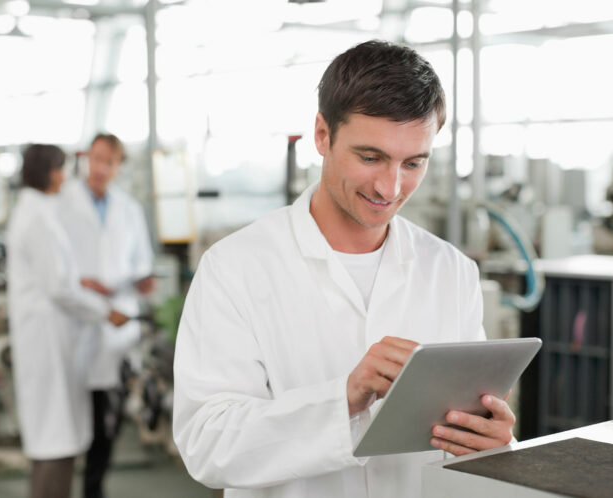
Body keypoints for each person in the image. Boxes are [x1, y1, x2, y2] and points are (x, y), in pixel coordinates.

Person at [172, 40, 516, 498]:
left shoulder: (450, 271)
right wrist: (344, 399)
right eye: (370, 157)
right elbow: (206, 443)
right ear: (322, 135)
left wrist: (494, 444)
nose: (390, 187)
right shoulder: (235, 268)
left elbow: (465, 429)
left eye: (413, 163)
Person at [7, 144, 129, 498]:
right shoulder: (38, 218)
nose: (66, 176)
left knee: (55, 435)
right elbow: (58, 289)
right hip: (47, 339)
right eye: (61, 169)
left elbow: (57, 278)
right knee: (53, 440)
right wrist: (106, 311)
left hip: (51, 335)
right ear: (50, 173)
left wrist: (83, 284)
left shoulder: (38, 211)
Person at [56, 133, 155, 498]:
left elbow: (141, 262)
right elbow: (54, 265)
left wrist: (139, 283)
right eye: (95, 159)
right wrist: (83, 283)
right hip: (76, 320)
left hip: (116, 324)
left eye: (108, 162)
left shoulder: (128, 209)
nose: (99, 168)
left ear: (118, 167)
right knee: (70, 417)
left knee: (106, 421)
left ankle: (93, 488)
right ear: (85, 159)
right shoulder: (62, 203)